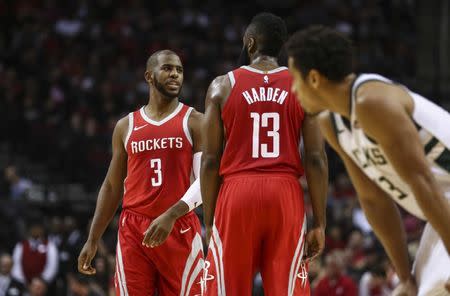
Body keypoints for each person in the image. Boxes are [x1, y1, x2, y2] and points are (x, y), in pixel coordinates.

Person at [286, 25, 450, 296]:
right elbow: (374, 200)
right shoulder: (333, 122)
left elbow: (424, 183)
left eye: (295, 78)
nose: (293, 89)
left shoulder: (371, 101)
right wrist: (405, 277)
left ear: (313, 78)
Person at [201, 13, 328, 295]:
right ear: (281, 47)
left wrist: (209, 222)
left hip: (236, 192)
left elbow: (210, 161)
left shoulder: (221, 85)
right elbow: (316, 158)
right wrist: (319, 222)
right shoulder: (302, 85)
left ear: (250, 42)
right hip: (284, 193)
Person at [77, 50, 204, 295]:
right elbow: (112, 186)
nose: (175, 74)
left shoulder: (195, 121)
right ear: (149, 76)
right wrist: (93, 239)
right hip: (134, 229)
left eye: (179, 70)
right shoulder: (126, 126)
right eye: (167, 68)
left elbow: (205, 183)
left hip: (179, 225)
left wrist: (170, 215)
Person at [11, 221, 59, 286]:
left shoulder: (50, 245)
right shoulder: (21, 245)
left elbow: (52, 266)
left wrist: (42, 280)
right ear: (29, 230)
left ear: (42, 230)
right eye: (33, 228)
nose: (36, 230)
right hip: (23, 284)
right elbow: (16, 266)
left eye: (38, 228)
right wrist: (24, 282)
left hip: (43, 285)